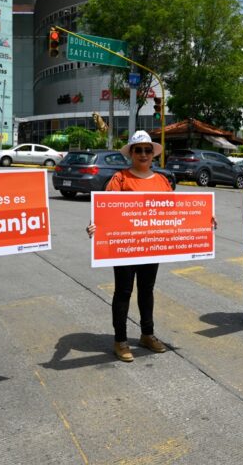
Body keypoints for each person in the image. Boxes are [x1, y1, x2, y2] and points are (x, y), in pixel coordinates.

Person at [87, 131, 172, 362]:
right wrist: (95, 226)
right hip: (124, 246)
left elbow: (176, 212)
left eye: (147, 150)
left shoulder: (162, 181)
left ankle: (147, 334)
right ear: (131, 153)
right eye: (138, 150)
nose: (143, 154)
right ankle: (120, 340)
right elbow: (105, 210)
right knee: (123, 292)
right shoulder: (120, 179)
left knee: (147, 290)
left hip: (151, 246)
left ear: (153, 154)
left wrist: (204, 220)